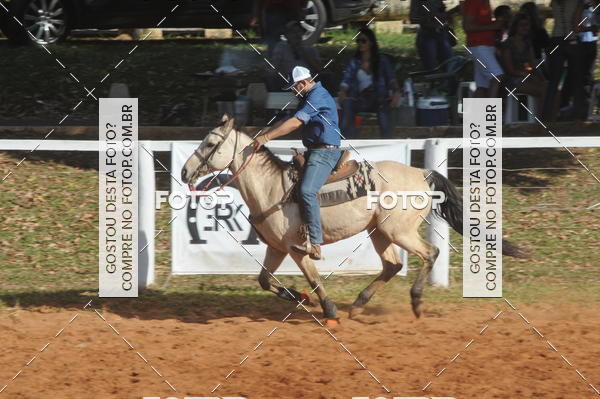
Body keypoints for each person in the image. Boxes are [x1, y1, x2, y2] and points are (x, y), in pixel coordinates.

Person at [253, 66, 341, 260]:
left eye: (294, 87)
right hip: (316, 151)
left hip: (324, 153)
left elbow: (294, 123)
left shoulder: (317, 97)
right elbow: (288, 119)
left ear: (303, 83)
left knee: (307, 191)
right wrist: (263, 134)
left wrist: (266, 138)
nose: (294, 91)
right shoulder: (310, 97)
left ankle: (316, 243)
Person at [338, 28, 400, 139]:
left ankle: (387, 141)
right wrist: (342, 92)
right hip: (361, 98)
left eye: (363, 40)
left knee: (384, 105)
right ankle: (347, 141)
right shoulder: (354, 62)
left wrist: (396, 92)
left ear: (371, 42)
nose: (360, 44)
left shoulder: (382, 60)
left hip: (378, 97)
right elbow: (346, 80)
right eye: (358, 41)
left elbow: (391, 79)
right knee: (347, 104)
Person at [543, 0, 586, 121]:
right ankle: (578, 118)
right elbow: (576, 27)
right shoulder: (578, 2)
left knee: (553, 82)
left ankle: (547, 118)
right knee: (577, 80)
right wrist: (590, 28)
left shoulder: (554, 2)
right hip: (571, 41)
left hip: (556, 40)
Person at [500, 12, 547, 113]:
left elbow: (533, 64)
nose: (525, 28)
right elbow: (510, 70)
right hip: (512, 80)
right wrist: (527, 74)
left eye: (527, 25)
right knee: (543, 91)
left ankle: (550, 119)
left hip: (527, 77)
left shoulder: (527, 43)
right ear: (515, 27)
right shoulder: (508, 44)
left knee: (551, 89)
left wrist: (541, 78)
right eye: (522, 25)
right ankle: (543, 121)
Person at [462, 0, 507, 97]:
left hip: (485, 46)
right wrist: (493, 25)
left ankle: (477, 112)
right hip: (479, 46)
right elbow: (467, 26)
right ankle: (490, 112)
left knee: (482, 85)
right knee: (497, 76)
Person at [266, 20, 322, 91]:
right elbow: (274, 66)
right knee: (272, 77)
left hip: (307, 82)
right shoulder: (281, 47)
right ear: (287, 35)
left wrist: (301, 49)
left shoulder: (311, 49)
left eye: (298, 31)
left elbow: (319, 69)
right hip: (287, 81)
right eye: (292, 32)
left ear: (302, 33)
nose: (296, 35)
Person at [410, 0, 454, 70]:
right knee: (431, 68)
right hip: (427, 34)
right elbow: (413, 18)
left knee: (450, 66)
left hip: (442, 34)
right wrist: (428, 18)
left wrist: (445, 15)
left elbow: (444, 13)